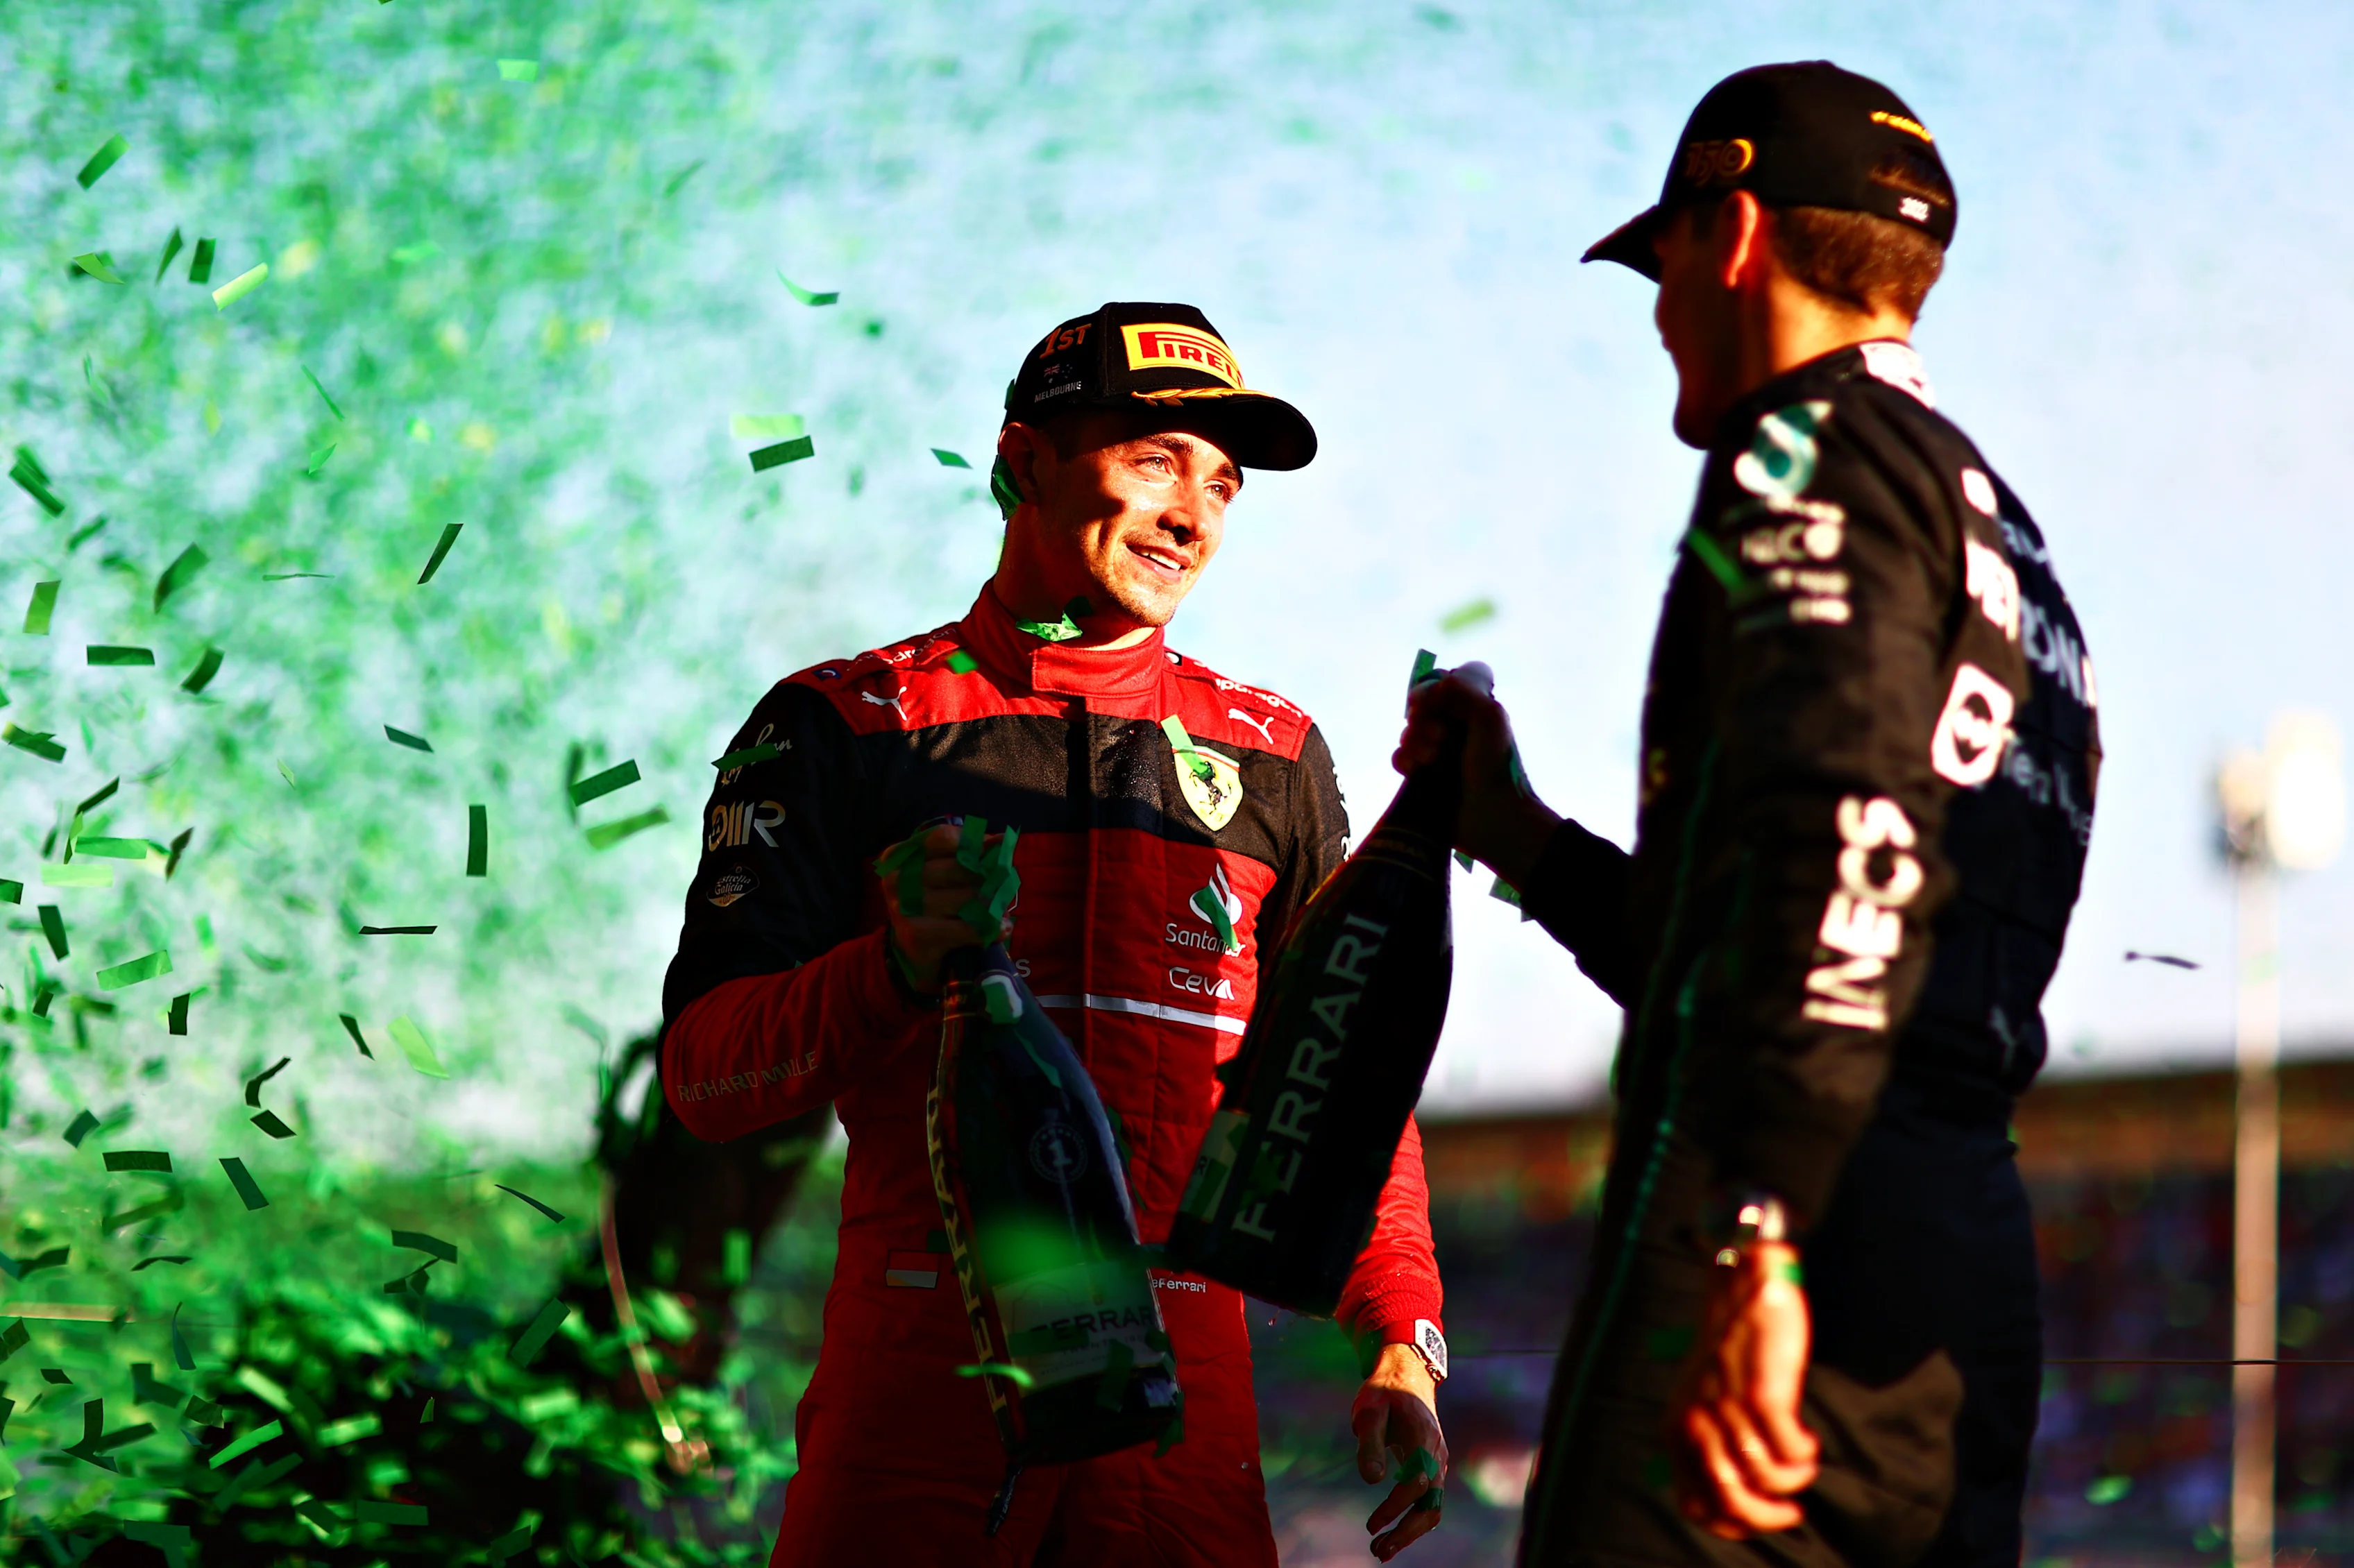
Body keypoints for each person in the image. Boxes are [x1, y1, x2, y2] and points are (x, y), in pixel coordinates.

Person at [1399, 63, 2100, 1567]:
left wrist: (1758, 1225)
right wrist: (1517, 836)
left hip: (1791, 1228)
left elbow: (1838, 843)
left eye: (1660, 269)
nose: (1656, 313)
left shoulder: (1802, 455)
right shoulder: (2002, 532)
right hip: (1952, 1244)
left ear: (1728, 233)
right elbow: (1809, 906)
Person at [662, 302, 1453, 1566]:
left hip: (1190, 1410)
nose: (1192, 514)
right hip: (924, 1387)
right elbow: (707, 1077)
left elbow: (1346, 1089)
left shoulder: (1276, 752)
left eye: (1224, 482)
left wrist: (1402, 1336)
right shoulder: (836, 722)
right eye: (1152, 459)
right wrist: (894, 966)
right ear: (1022, 461)